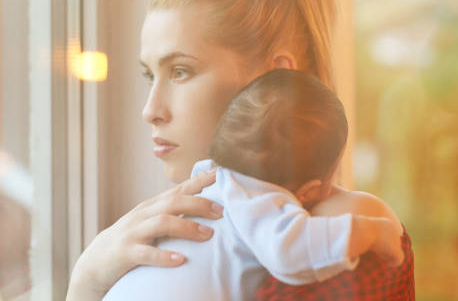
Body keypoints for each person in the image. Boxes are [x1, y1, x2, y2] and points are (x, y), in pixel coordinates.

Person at [67, 0, 414, 300]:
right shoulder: (175, 228)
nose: (150, 110)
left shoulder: (344, 230)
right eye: (150, 75)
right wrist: (86, 280)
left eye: (181, 71)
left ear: (276, 78)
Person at [102, 68, 403, 300]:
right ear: (310, 190)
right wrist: (371, 231)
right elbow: (293, 252)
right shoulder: (260, 200)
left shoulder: (210, 180)